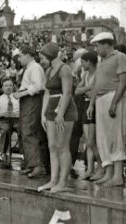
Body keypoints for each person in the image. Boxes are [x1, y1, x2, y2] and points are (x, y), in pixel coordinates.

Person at [37, 43, 78, 193]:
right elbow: (47, 93)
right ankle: (53, 180)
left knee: (62, 146)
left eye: (42, 58)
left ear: (50, 56)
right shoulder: (48, 71)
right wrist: (43, 113)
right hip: (51, 110)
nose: (41, 61)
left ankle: (63, 182)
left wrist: (60, 114)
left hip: (65, 110)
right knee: (52, 146)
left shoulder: (64, 69)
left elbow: (67, 93)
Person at [87, 32, 126, 187]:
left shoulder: (120, 57)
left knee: (114, 136)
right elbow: (96, 84)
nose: (96, 49)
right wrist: (91, 104)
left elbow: (123, 82)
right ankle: (108, 172)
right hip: (100, 99)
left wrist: (114, 102)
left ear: (105, 44)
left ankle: (117, 176)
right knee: (102, 138)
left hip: (112, 97)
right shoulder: (102, 61)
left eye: (97, 46)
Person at [13, 46, 49, 178]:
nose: (19, 59)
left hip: (32, 101)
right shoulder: (29, 68)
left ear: (28, 55)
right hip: (27, 101)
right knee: (25, 131)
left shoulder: (35, 68)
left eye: (21, 56)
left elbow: (37, 86)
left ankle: (37, 165)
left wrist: (22, 94)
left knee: (29, 131)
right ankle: (31, 163)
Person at [75, 51, 103, 181]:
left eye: (82, 62)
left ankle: (101, 168)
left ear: (89, 62)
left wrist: (86, 90)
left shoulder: (98, 73)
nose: (81, 65)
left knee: (92, 141)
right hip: (87, 105)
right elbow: (77, 91)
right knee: (88, 141)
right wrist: (88, 88)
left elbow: (94, 94)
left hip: (95, 105)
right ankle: (90, 169)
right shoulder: (86, 74)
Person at [0, 78, 20, 162]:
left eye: (10, 85)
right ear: (2, 88)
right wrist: (2, 114)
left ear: (13, 87)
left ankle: (23, 153)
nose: (8, 87)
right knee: (5, 130)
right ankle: (0, 153)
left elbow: (23, 112)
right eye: (6, 85)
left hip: (17, 120)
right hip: (3, 120)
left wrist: (17, 114)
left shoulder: (18, 98)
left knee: (23, 131)